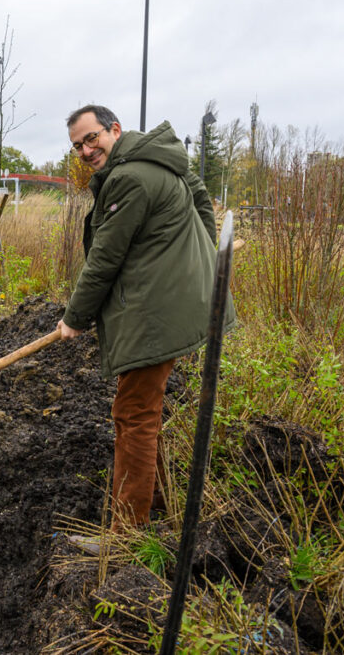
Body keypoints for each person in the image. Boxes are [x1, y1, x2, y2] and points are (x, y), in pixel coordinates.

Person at [56, 105, 234, 548]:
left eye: (92, 138)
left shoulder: (129, 178)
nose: (86, 150)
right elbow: (203, 206)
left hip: (157, 313)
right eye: (78, 145)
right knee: (140, 409)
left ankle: (126, 535)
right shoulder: (164, 161)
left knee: (134, 413)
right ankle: (148, 501)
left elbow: (104, 259)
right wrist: (197, 264)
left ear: (114, 130)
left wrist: (74, 319)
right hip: (183, 301)